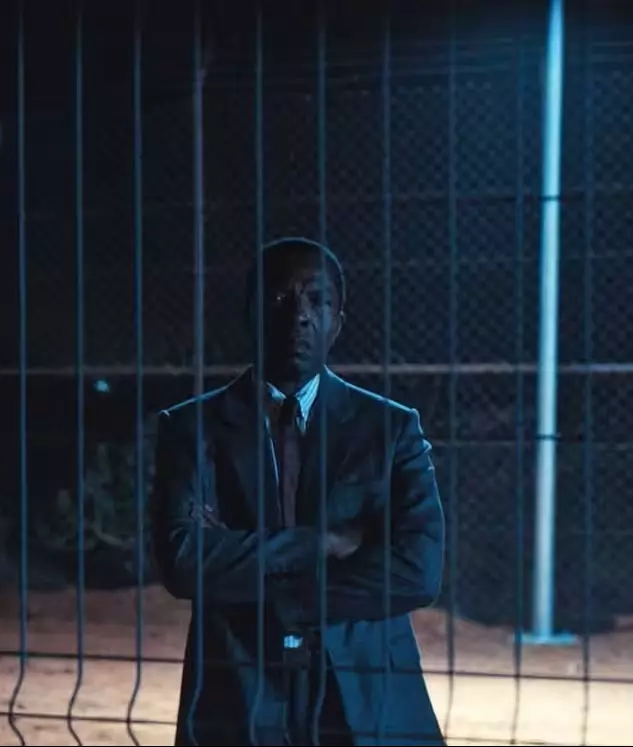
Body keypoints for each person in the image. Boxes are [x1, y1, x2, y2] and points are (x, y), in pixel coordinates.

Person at [152, 237, 445, 746]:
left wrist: (265, 579)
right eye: (280, 298)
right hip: (237, 690)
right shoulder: (191, 428)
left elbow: (419, 571)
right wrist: (323, 542)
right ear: (250, 313)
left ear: (338, 322)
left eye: (317, 300)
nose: (300, 316)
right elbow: (181, 561)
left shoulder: (390, 429)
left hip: (365, 693)